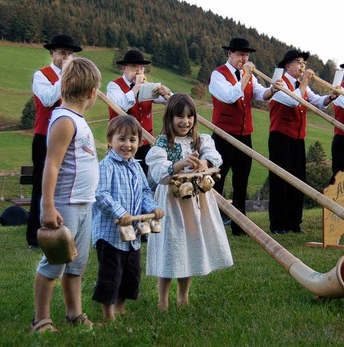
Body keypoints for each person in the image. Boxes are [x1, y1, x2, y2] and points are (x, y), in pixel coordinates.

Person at [31, 57, 100, 333]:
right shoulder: (64, 120)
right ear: (91, 92)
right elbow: (51, 164)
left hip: (84, 203)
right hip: (65, 204)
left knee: (77, 264)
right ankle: (41, 320)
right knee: (55, 263)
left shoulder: (77, 119)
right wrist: (47, 206)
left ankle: (74, 313)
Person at [145, 93, 234, 311]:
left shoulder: (200, 140)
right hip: (171, 204)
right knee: (170, 246)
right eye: (179, 116)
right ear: (169, 118)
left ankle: (183, 297)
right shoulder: (163, 144)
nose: (185, 121)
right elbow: (159, 174)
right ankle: (162, 300)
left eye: (190, 116)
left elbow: (215, 156)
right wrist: (180, 164)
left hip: (195, 203)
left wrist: (204, 162)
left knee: (189, 246)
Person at [91, 115, 164, 321]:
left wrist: (153, 207)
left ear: (139, 143)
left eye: (132, 140)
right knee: (111, 273)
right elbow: (100, 194)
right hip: (110, 233)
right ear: (110, 140)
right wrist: (119, 212)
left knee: (131, 273)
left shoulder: (136, 166)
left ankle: (120, 307)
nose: (127, 144)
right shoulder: (106, 166)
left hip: (132, 234)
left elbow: (143, 192)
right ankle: (108, 313)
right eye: (121, 139)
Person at [209, 37, 278, 236]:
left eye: (246, 55)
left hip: (244, 135)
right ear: (229, 54)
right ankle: (214, 225)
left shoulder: (247, 76)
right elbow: (230, 96)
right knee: (217, 180)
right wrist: (245, 76)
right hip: (223, 135)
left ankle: (240, 226)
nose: (244, 58)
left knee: (242, 180)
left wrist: (272, 90)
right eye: (240, 54)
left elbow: (259, 94)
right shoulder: (218, 75)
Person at [268, 49, 339, 235]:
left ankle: (294, 222)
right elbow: (293, 101)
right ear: (288, 66)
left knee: (298, 180)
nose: (302, 66)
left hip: (298, 138)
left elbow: (316, 101)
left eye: (304, 63)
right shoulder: (279, 83)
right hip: (281, 137)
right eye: (299, 62)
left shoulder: (302, 85)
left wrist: (330, 97)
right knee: (280, 181)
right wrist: (306, 80)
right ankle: (277, 223)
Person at [27, 34, 82, 250]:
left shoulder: (72, 76)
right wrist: (67, 75)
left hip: (68, 136)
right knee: (41, 185)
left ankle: (62, 228)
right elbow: (49, 98)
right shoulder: (41, 75)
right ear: (52, 54)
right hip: (44, 137)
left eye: (69, 54)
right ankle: (34, 236)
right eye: (62, 53)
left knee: (66, 183)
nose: (66, 57)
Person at [106, 49, 171, 176]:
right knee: (120, 176)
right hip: (122, 142)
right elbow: (120, 106)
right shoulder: (114, 86)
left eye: (141, 68)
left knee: (143, 177)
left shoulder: (147, 86)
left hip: (145, 142)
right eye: (135, 67)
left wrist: (166, 92)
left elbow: (171, 101)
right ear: (124, 69)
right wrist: (136, 87)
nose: (139, 72)